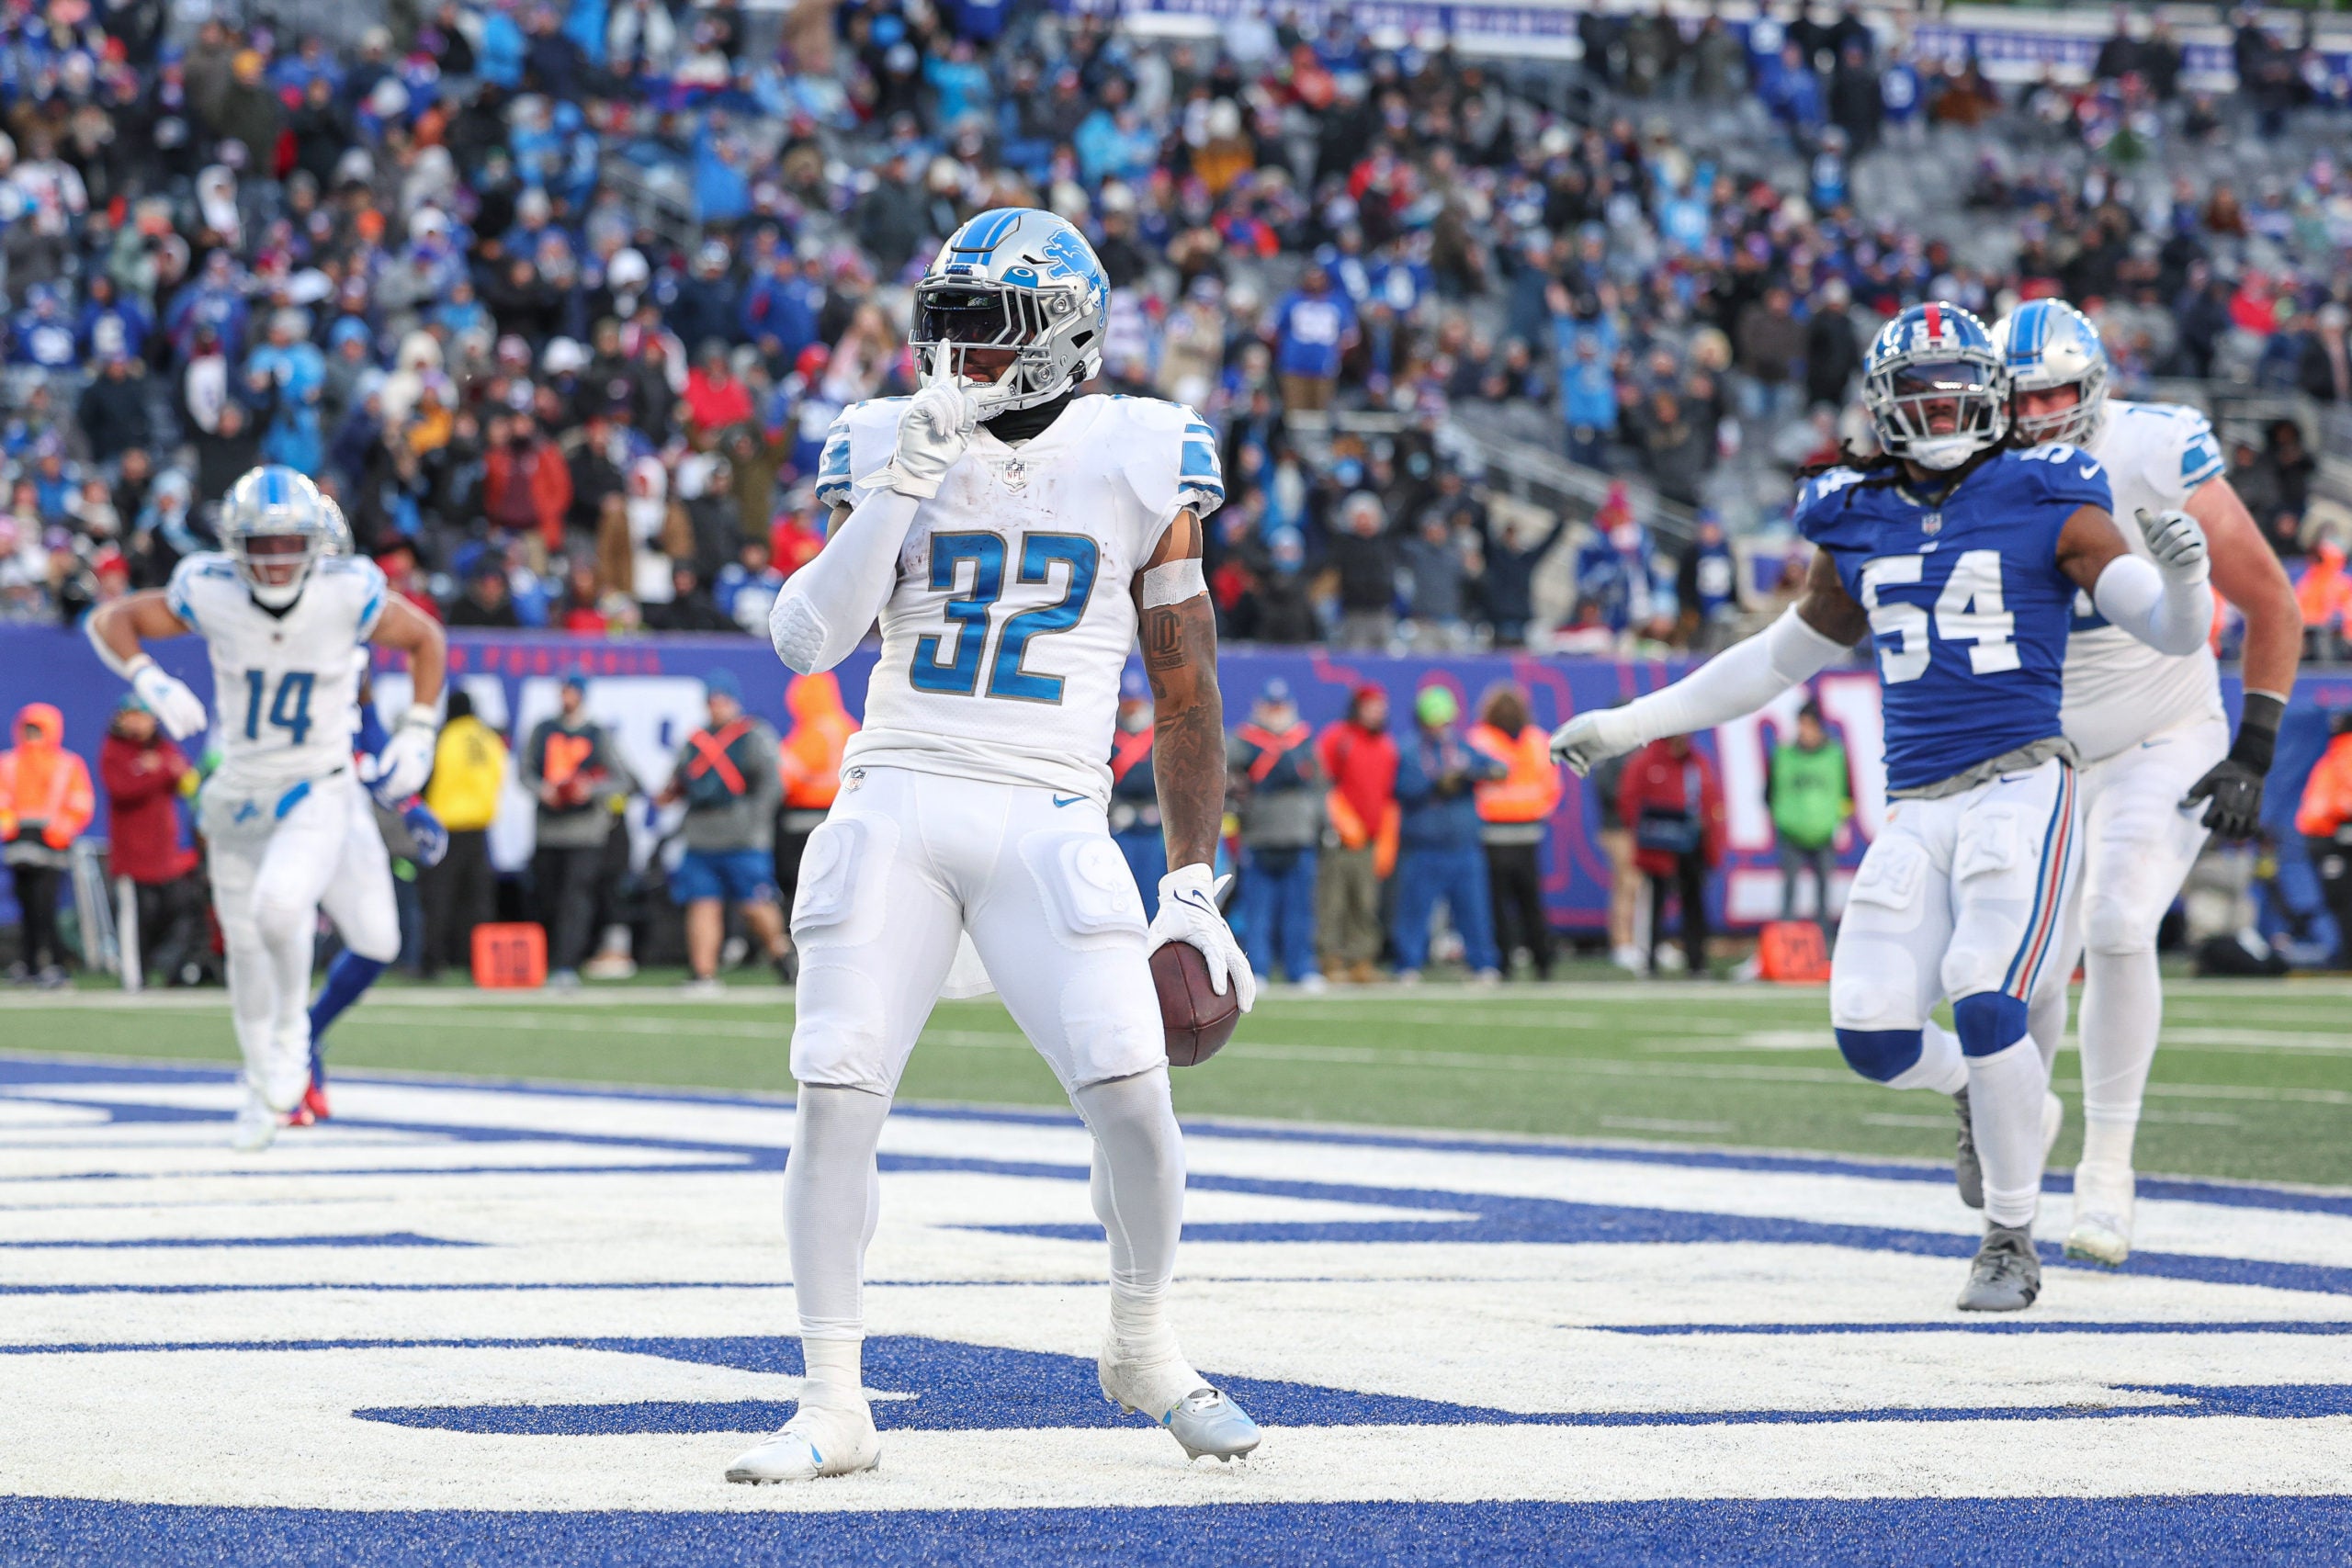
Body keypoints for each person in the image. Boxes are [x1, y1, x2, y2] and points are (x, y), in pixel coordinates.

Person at [735, 208, 1261, 1485]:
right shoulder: (880, 436)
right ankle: (833, 1397)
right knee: (835, 1086)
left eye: (988, 326)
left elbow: (1185, 690)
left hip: (1050, 806)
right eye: (948, 320)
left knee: (1137, 1094)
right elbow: (806, 641)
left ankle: (1143, 1342)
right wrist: (902, 482)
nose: (957, 349)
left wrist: (1191, 878)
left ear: (1064, 336)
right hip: (897, 792)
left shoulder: (1143, 452)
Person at [1554, 301, 2216, 1312]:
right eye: (1916, 390)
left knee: (1985, 990)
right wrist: (1633, 721)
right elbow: (1775, 662)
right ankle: (1973, 1094)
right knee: (1868, 1029)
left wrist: (2186, 585)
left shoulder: (2050, 491)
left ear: (1990, 397)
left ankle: (2008, 1234)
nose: (1936, 406)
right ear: (1879, 405)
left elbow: (2169, 635)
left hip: (2025, 783)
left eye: (1953, 386)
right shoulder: (1854, 513)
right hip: (1916, 804)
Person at [1993, 299, 2303, 1267]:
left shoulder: (2154, 448)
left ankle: (2107, 1174)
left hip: (2163, 730)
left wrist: (2253, 744)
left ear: (2092, 391)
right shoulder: (1975, 470)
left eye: (2053, 394)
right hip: (2041, 754)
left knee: (2120, 922)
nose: (2037, 414)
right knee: (2016, 973)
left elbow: (2268, 599)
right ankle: (2014, 1146)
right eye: (2020, 398)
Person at [86, 467, 445, 1150]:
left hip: (324, 780)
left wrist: (421, 731)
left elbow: (427, 637)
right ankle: (266, 1077)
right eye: (261, 543)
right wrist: (149, 678)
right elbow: (113, 619)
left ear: (317, 543)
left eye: (290, 543)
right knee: (255, 936)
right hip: (244, 789)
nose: (276, 559)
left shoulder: (347, 592)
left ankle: (293, 1040)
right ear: (234, 542)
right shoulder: (212, 588)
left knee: (377, 940)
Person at [658, 669, 789, 995]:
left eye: (721, 699)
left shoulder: (753, 736)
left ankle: (781, 953)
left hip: (742, 835)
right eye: (711, 700)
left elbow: (771, 784)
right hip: (702, 833)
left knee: (755, 904)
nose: (716, 706)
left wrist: (754, 821)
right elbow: (680, 779)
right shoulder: (696, 740)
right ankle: (704, 973)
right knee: (702, 902)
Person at [521, 674, 637, 987]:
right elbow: (525, 771)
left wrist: (589, 789)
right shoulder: (544, 729)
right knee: (549, 897)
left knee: (576, 898)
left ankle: (567, 963)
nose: (566, 696)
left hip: (585, 832)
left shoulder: (597, 733)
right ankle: (550, 959)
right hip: (549, 829)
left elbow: (623, 779)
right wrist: (542, 789)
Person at [1391, 683, 1504, 984]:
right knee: (1415, 911)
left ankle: (1483, 963)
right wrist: (1437, 784)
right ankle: (1408, 963)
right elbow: (1402, 789)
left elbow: (1498, 768)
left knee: (1474, 910)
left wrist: (1478, 773)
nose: (1441, 728)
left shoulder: (1461, 748)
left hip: (1463, 844)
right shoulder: (1410, 750)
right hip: (1425, 844)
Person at [97, 694, 206, 988]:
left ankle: (173, 970)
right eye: (129, 715)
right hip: (132, 855)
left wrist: (165, 768)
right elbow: (122, 789)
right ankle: (134, 978)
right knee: (136, 918)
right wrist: (155, 770)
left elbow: (187, 783)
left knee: (173, 913)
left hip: (164, 855)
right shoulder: (114, 750)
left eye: (141, 715)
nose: (135, 722)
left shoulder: (164, 748)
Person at [1228, 678, 1324, 989]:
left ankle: (1301, 966)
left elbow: (1320, 786)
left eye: (1281, 706)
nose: (1276, 713)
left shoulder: (1304, 740)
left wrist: (1320, 823)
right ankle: (1258, 967)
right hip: (1261, 834)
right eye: (1271, 706)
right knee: (1258, 911)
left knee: (1300, 911)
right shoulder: (1244, 740)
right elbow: (1229, 778)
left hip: (1297, 833)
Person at [1468, 683, 1563, 980]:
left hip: (1503, 830)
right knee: (1524, 902)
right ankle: (1537, 961)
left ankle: (1513, 962)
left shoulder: (1481, 739)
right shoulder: (1535, 740)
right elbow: (1551, 786)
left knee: (1508, 902)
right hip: (1515, 831)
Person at [1, 703, 94, 987]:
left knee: (46, 906)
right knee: (26, 906)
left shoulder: (67, 764)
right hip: (19, 844)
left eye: (38, 730)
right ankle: (29, 963)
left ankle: (53, 963)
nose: (32, 736)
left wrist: (62, 830)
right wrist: (8, 825)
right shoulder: (9, 762)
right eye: (28, 729)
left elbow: (81, 802)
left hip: (52, 845)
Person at [418, 688, 507, 981]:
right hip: (480, 827)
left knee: (438, 897)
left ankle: (433, 962)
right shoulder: (489, 738)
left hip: (446, 826)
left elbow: (426, 778)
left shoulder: (445, 736)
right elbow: (498, 776)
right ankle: (480, 963)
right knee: (478, 900)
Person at [1620, 734, 1724, 976]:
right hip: (1660, 846)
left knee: (1694, 903)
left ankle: (1696, 961)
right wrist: (1651, 828)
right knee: (1656, 903)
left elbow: (1710, 801)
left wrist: (1711, 838)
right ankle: (1649, 960)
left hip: (1692, 842)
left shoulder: (1697, 762)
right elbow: (1629, 800)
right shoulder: (1648, 762)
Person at [774, 671, 857, 968]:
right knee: (839, 889)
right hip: (844, 815)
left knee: (803, 888)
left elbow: (784, 778)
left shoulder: (816, 731)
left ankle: (804, 953)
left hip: (804, 819)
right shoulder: (849, 726)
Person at [1317, 684, 1397, 982]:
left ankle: (1361, 959)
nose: (1378, 713)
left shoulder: (1386, 746)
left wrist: (1386, 835)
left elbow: (1388, 796)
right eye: (1372, 706)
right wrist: (1341, 821)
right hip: (1340, 838)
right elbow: (1323, 785)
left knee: (1365, 902)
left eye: (1381, 707)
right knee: (1333, 901)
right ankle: (1330, 958)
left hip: (1371, 839)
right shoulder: (1339, 738)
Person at [1769, 700, 1850, 931]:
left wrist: (1836, 820)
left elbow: (1846, 791)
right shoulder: (1784, 753)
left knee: (1824, 895)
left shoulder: (1835, 754)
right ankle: (1786, 946)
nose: (1803, 730)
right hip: (1791, 831)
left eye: (1807, 724)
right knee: (1789, 893)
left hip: (1824, 832)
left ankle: (1823, 947)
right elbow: (1770, 791)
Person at [1107, 669, 1165, 919]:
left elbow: (1172, 777)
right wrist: (1115, 808)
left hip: (1153, 824)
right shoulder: (1110, 732)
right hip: (1121, 822)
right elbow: (1100, 774)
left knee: (1153, 891)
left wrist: (1160, 808)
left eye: (1137, 701)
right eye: (1128, 703)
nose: (1133, 708)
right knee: (1118, 892)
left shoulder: (1159, 734)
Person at [2298, 711, 2352, 964]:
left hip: (2330, 836)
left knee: (2340, 899)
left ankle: (2346, 953)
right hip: (2330, 836)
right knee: (2339, 899)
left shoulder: (2341, 753)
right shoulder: (2337, 754)